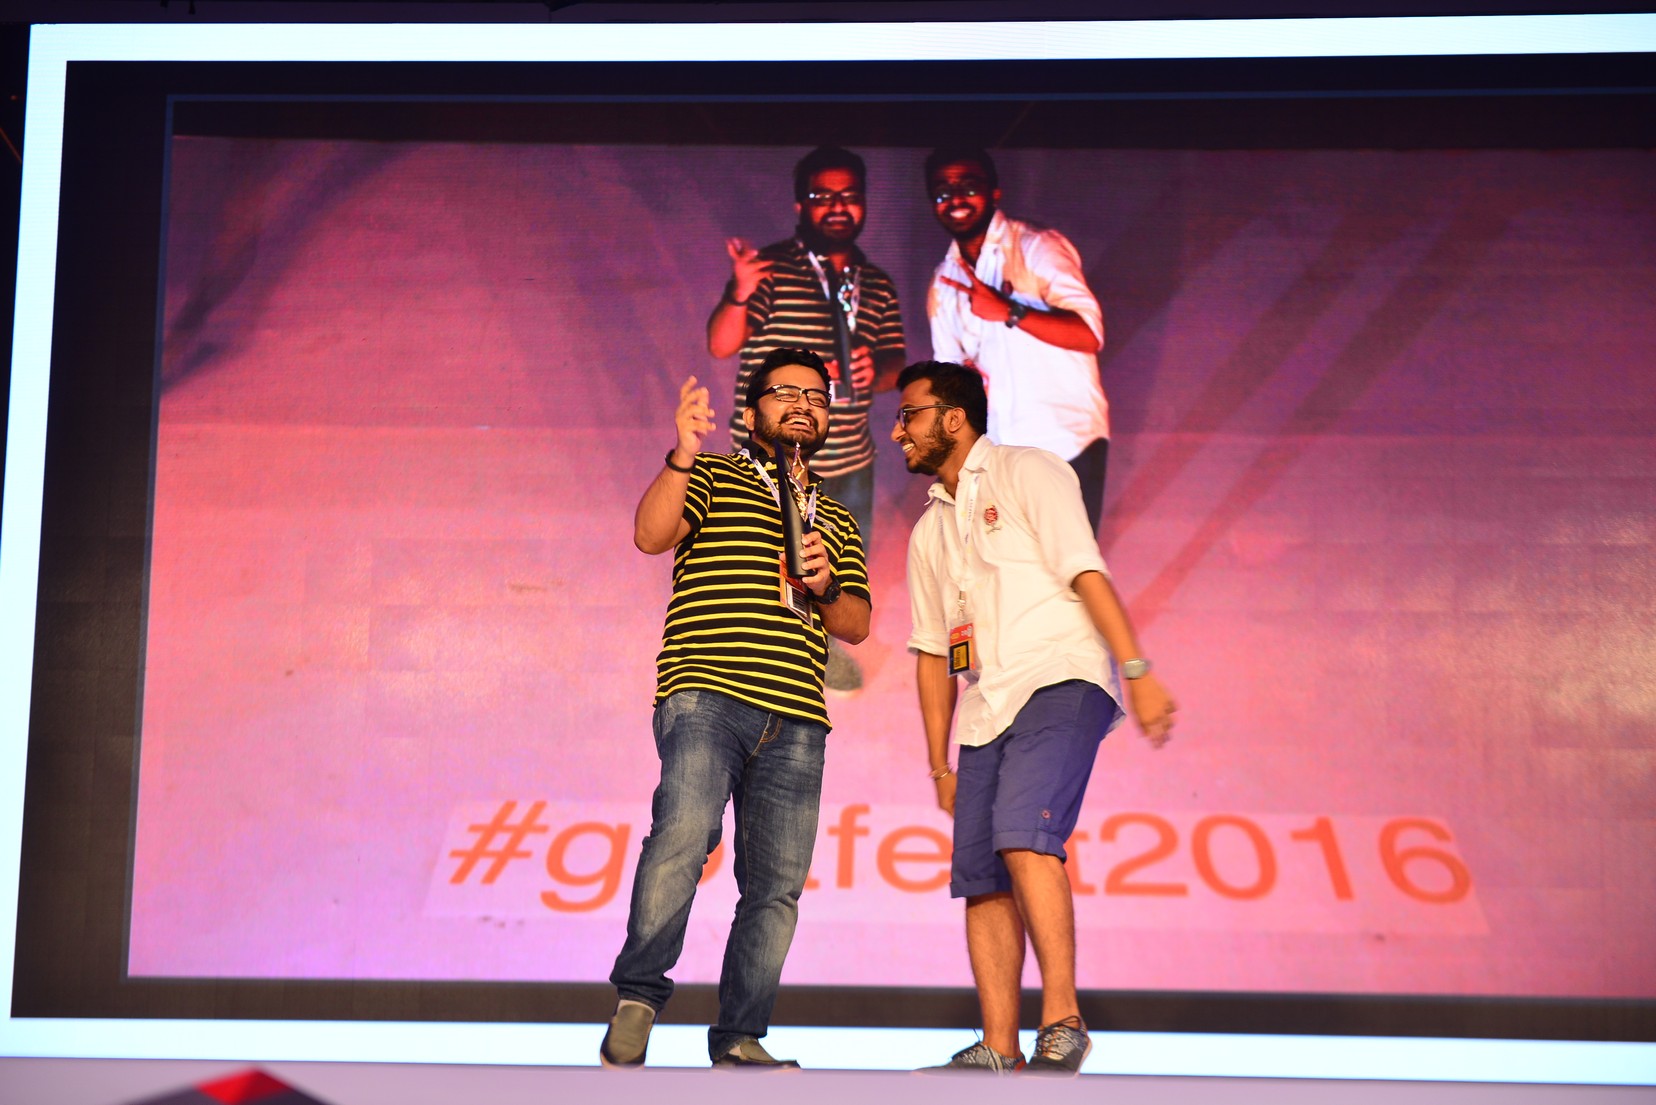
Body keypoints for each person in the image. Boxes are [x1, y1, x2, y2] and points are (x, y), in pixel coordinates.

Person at [890, 360, 1176, 1076]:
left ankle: (1063, 1021)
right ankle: (998, 1044)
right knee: (981, 874)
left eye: (910, 414)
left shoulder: (1029, 470)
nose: (898, 431)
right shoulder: (929, 530)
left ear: (954, 418)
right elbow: (933, 653)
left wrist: (1137, 670)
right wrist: (938, 764)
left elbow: (1086, 570)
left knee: (1024, 834)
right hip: (985, 708)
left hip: (1060, 677)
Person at [601, 348, 872, 1070]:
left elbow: (855, 623)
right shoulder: (714, 475)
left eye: (816, 397)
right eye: (787, 393)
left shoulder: (836, 518)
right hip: (708, 692)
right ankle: (638, 997)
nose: (804, 405)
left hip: (798, 716)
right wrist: (683, 453)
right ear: (752, 414)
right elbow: (650, 535)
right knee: (683, 835)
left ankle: (740, 1036)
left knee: (776, 888)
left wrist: (824, 585)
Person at [708, 145, 906, 692]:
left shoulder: (876, 282)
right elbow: (721, 343)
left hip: (849, 459)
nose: (837, 206)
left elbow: (895, 359)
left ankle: (823, 653)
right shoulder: (769, 269)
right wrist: (739, 291)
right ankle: (749, 659)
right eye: (823, 195)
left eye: (849, 195)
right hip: (769, 460)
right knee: (758, 562)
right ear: (801, 205)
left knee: (837, 569)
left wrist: (876, 370)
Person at [924, 146, 1113, 535]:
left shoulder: (1036, 247)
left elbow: (1089, 334)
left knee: (1067, 570)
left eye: (968, 187)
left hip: (1064, 445)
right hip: (998, 457)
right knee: (1006, 571)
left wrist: (1009, 311)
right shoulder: (944, 282)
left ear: (994, 192)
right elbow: (950, 380)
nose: (956, 199)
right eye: (943, 192)